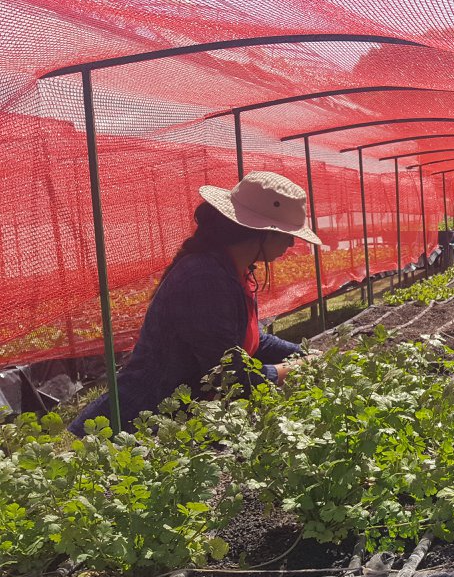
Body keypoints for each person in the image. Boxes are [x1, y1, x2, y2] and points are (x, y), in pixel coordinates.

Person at [72, 171, 321, 435]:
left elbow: (254, 342)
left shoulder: (234, 270)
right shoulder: (205, 278)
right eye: (286, 234)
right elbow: (228, 375)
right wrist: (293, 369)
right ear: (261, 233)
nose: (292, 242)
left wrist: (306, 354)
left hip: (171, 423)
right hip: (130, 427)